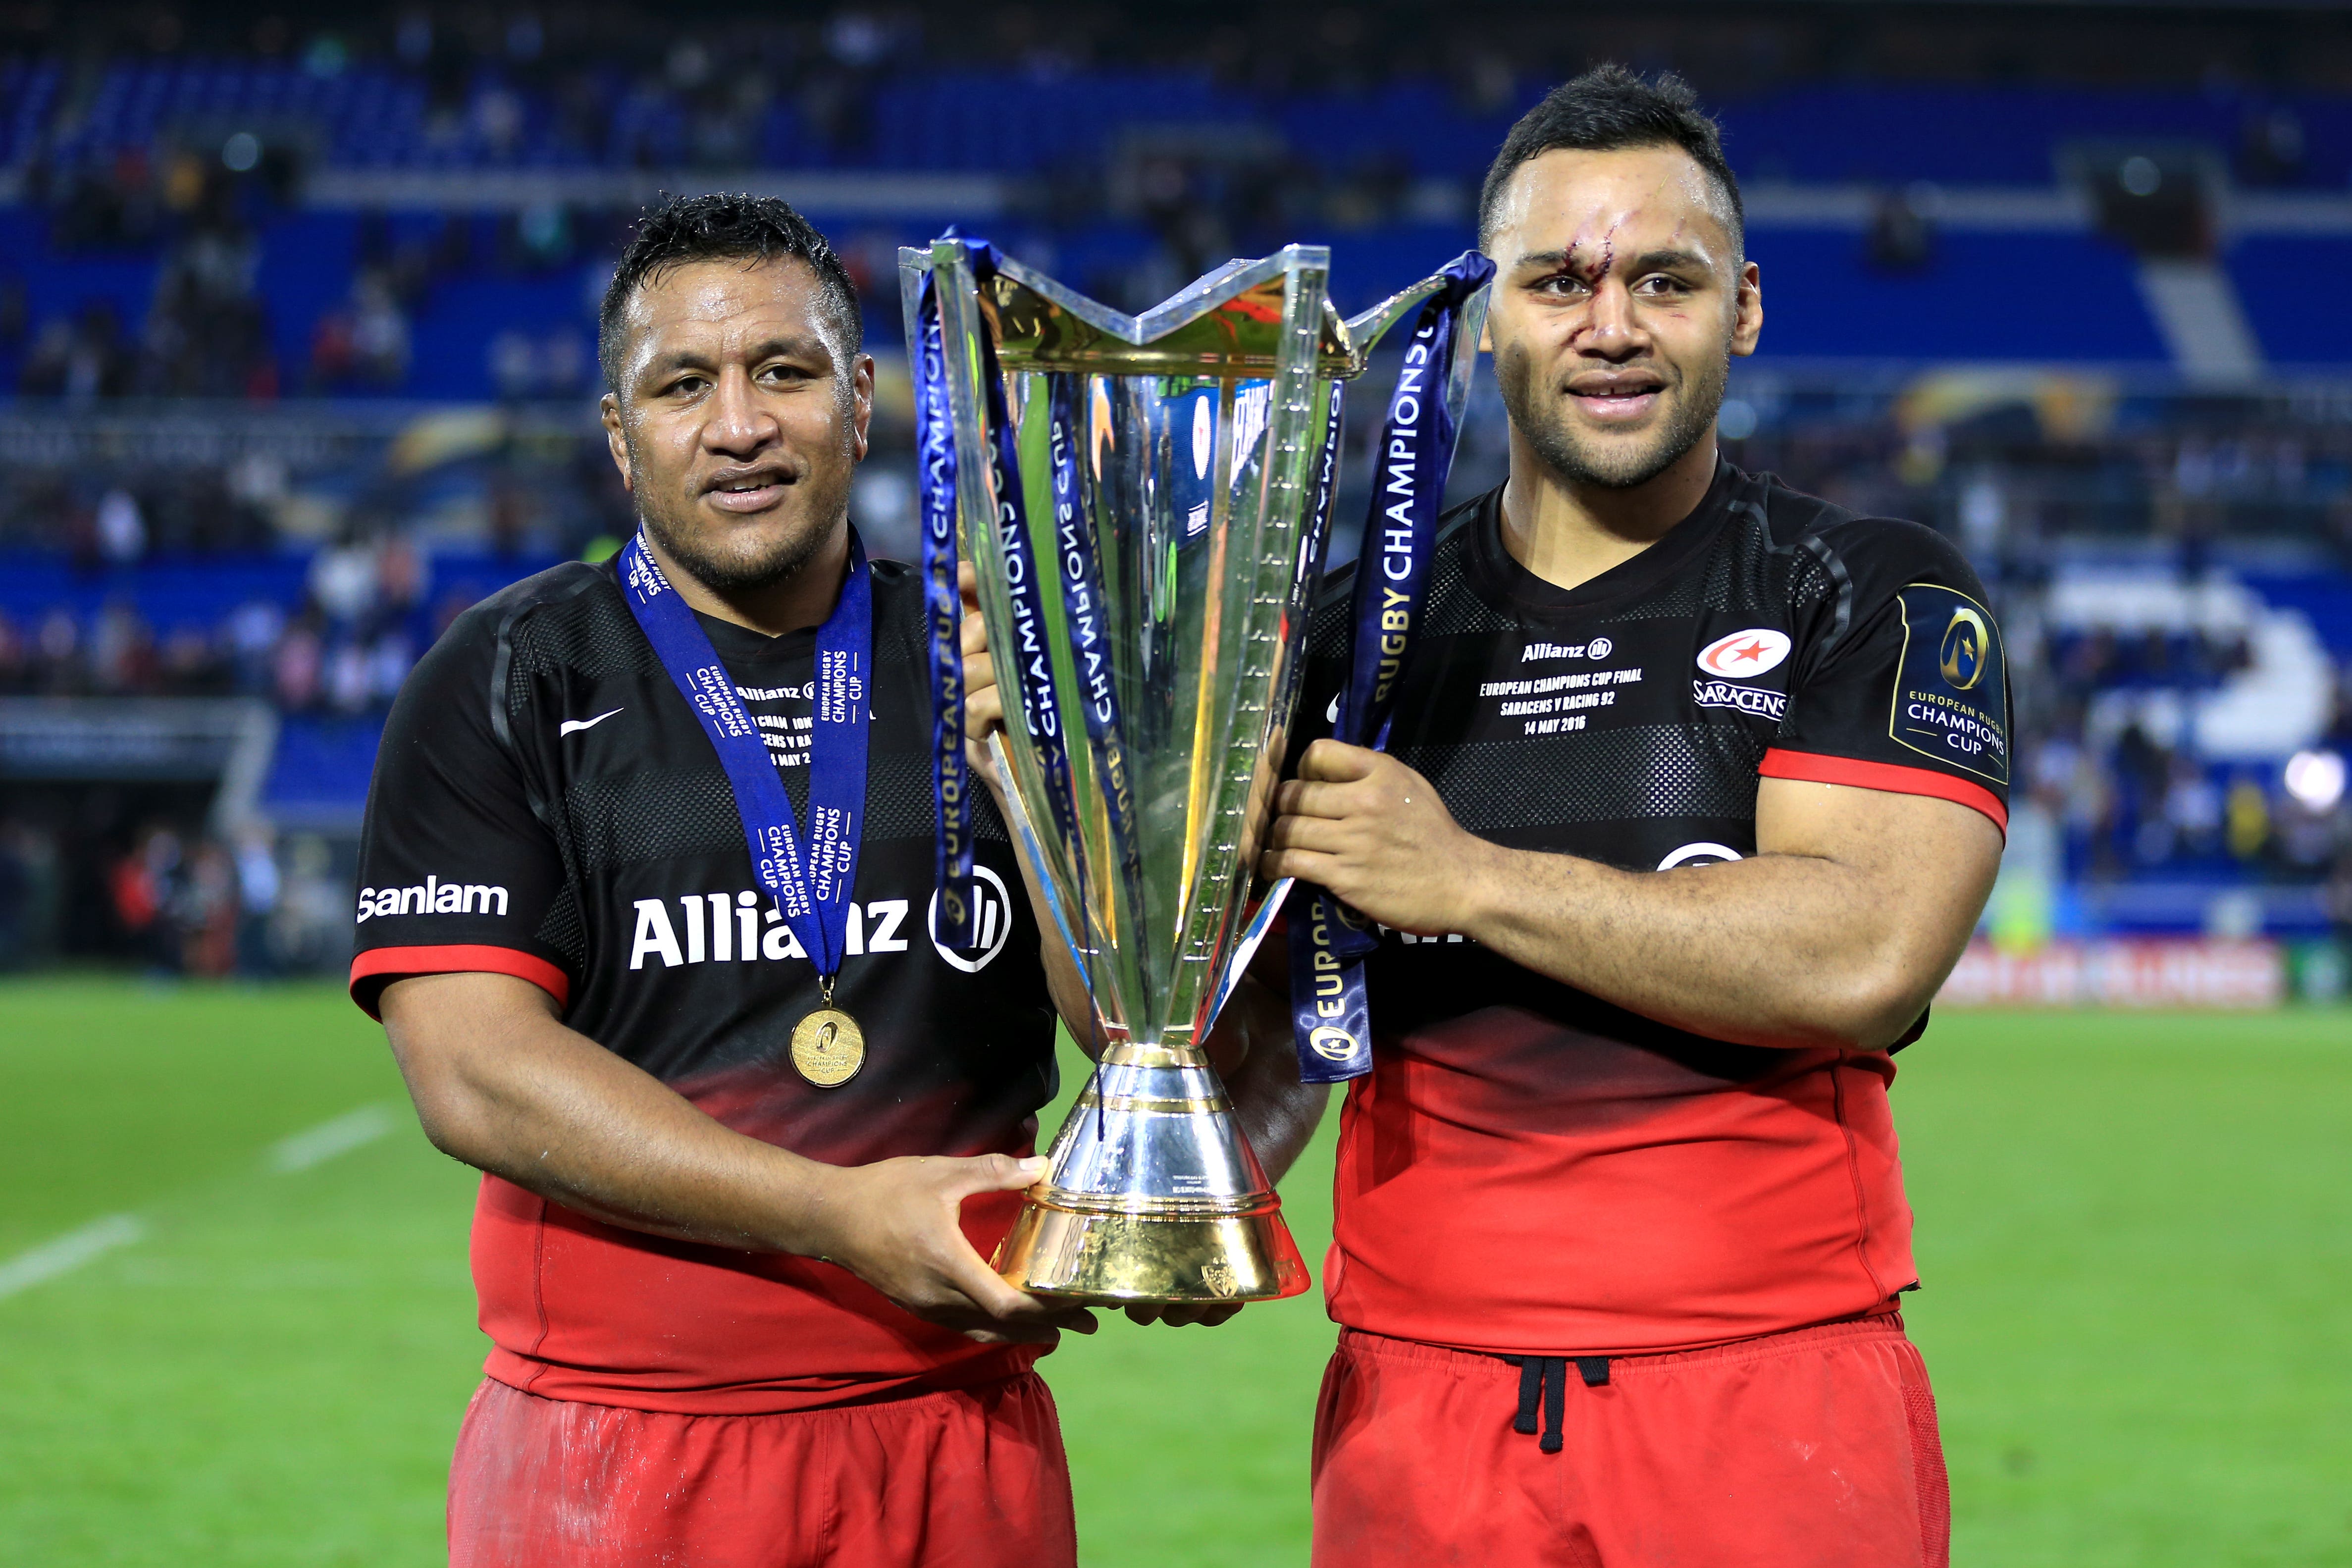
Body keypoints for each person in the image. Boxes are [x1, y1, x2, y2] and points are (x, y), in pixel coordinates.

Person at [1220, 66, 2008, 1567]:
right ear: (1487, 315)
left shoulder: (1865, 586)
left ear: (1747, 307)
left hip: (1766, 1404)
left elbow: (1864, 953)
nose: (1613, 325)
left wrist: (1466, 875)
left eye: (1666, 279)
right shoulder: (1349, 635)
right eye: (1559, 279)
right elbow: (1261, 1036)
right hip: (1417, 1408)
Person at [351, 193, 1103, 1568]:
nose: (739, 423)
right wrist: (836, 1216)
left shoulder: (999, 658)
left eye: (785, 371)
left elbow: (1134, 1038)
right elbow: (470, 1072)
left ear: (860, 398)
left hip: (954, 1433)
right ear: (620, 434)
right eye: (683, 384)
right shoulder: (510, 675)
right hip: (618, 1448)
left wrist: (1043, 801)